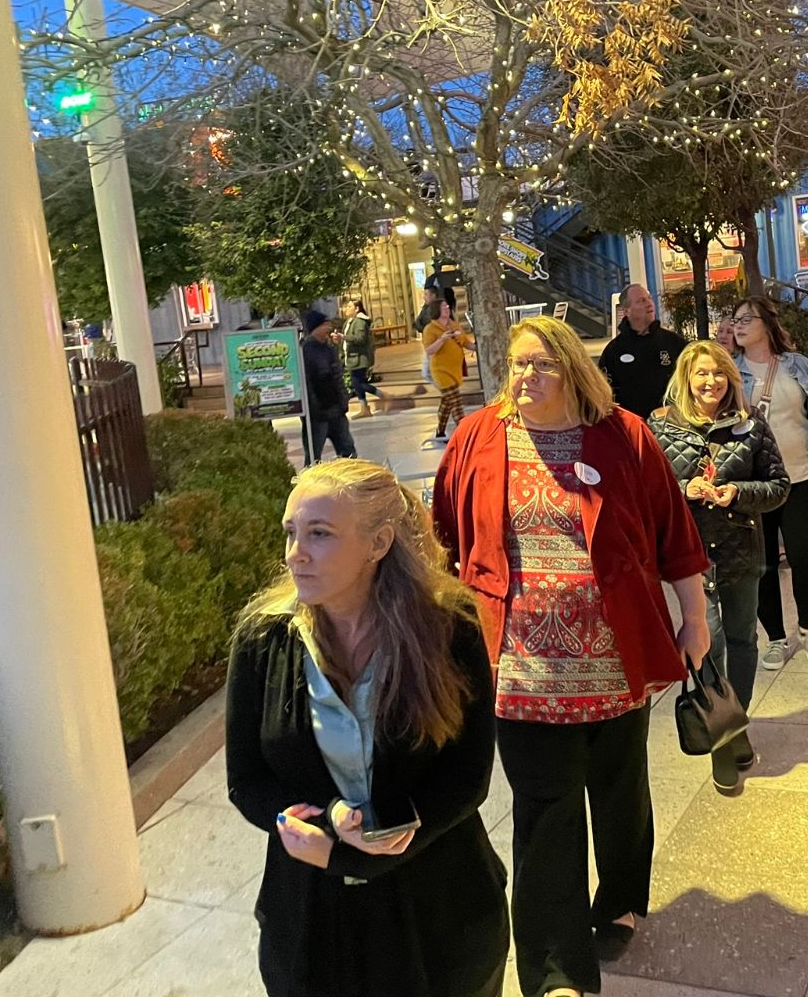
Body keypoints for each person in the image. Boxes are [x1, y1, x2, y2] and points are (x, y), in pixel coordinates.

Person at [432, 315, 711, 997]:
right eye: (518, 364)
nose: (526, 377)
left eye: (542, 365)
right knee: (543, 812)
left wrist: (695, 617)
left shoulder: (624, 434)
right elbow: (441, 537)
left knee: (619, 791)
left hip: (614, 659)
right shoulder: (477, 436)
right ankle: (557, 969)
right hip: (519, 667)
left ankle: (619, 899)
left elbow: (673, 532)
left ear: (573, 371)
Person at [225, 459, 509, 997]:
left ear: (378, 543)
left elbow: (468, 777)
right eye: (290, 532)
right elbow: (247, 782)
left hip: (440, 913)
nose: (295, 553)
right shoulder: (264, 640)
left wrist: (366, 849)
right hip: (311, 923)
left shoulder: (449, 627)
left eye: (319, 534)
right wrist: (324, 819)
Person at [650, 341, 790, 793]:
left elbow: (779, 485)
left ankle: (736, 721)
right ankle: (722, 740)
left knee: (743, 639)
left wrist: (739, 493)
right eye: (702, 374)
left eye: (719, 374)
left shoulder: (751, 424)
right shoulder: (661, 425)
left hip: (741, 550)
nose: (711, 382)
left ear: (730, 378)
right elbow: (648, 490)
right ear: (686, 379)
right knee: (705, 644)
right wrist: (682, 489)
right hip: (691, 558)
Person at [731, 295, 808, 670]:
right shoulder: (729, 373)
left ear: (767, 324)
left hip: (804, 477)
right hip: (754, 487)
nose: (738, 326)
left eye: (747, 319)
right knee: (761, 564)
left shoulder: (800, 368)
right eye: (735, 320)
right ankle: (776, 638)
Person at [598, 283, 687, 419]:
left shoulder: (673, 342)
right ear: (626, 311)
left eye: (649, 298)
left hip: (671, 423)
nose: (649, 303)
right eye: (641, 301)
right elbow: (604, 391)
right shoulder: (614, 351)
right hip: (632, 425)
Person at [301, 311, 356, 465]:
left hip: (336, 411)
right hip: (317, 416)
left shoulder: (329, 348)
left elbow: (338, 377)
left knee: (348, 451)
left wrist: (343, 401)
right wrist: (314, 410)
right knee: (313, 457)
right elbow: (306, 384)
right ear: (315, 328)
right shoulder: (305, 351)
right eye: (325, 324)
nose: (329, 328)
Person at [421, 301, 474, 447]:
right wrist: (442, 339)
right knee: (456, 402)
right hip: (441, 371)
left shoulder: (455, 325)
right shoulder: (430, 329)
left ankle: (440, 432)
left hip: (454, 370)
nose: (446, 309)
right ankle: (465, 433)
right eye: (443, 307)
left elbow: (465, 342)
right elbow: (429, 350)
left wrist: (478, 347)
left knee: (447, 403)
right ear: (436, 310)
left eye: (447, 307)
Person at [340, 297, 380, 418]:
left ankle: (383, 395)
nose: (346, 309)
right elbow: (346, 339)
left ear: (357, 309)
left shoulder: (360, 322)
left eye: (349, 307)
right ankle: (364, 408)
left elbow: (360, 339)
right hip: (351, 357)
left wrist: (344, 337)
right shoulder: (349, 322)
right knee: (358, 383)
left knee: (358, 383)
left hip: (359, 358)